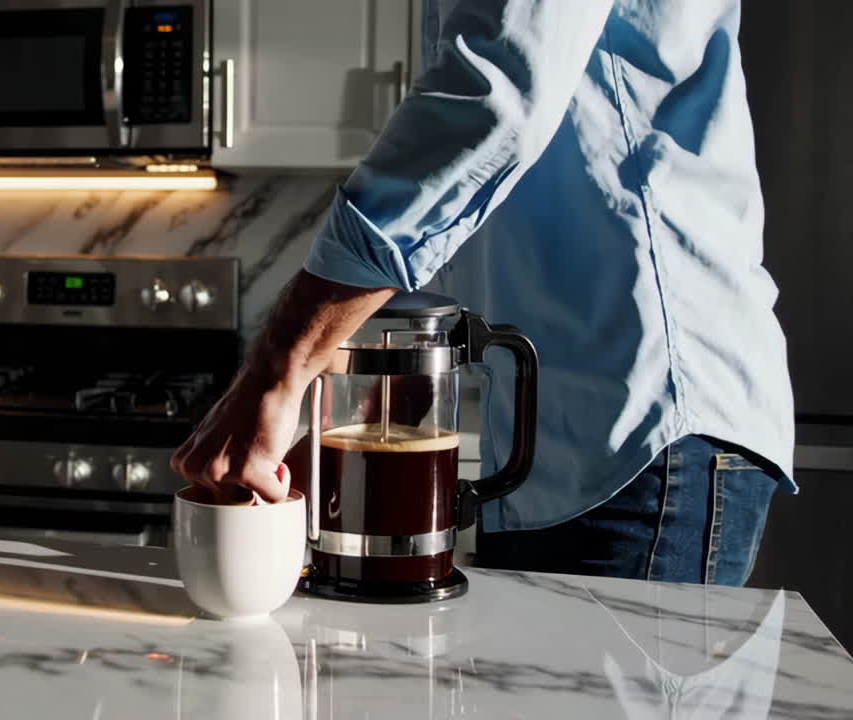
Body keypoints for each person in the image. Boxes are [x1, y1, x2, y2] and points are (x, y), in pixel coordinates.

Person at [171, 0, 795, 587]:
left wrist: (279, 370)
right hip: (562, 445)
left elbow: (493, 105)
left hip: (644, 423)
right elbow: (475, 205)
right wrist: (363, 423)